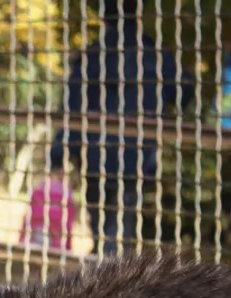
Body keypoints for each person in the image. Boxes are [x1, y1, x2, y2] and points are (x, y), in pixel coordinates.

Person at [52, 0, 194, 256]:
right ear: (137, 16)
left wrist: (59, 153)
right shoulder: (155, 56)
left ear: (104, 19)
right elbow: (185, 89)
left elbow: (72, 108)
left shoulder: (93, 56)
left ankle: (104, 267)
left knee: (100, 219)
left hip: (96, 154)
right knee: (121, 225)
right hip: (137, 155)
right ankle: (110, 269)